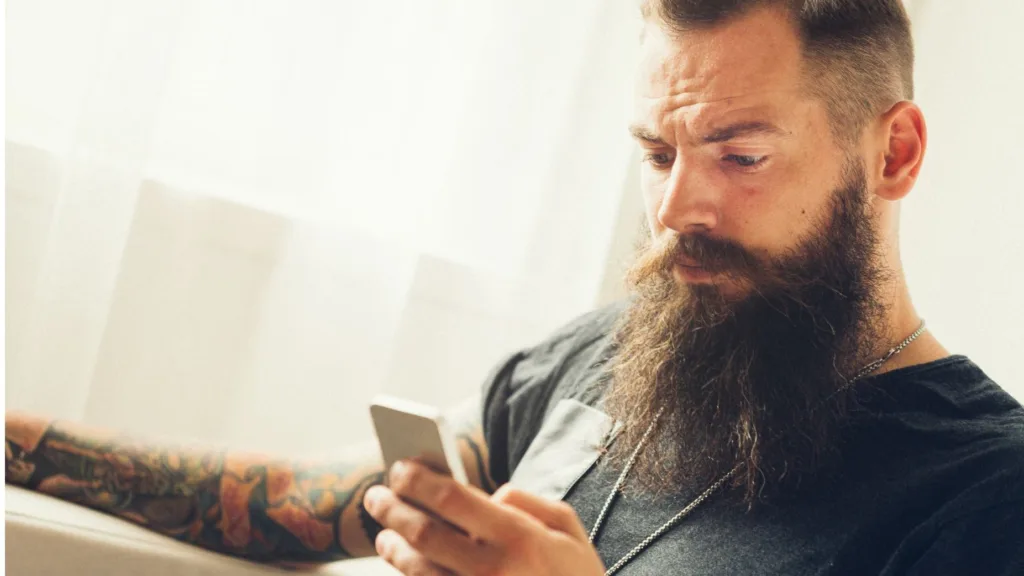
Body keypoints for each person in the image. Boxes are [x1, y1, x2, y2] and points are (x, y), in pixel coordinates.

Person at [6, 0, 1024, 574]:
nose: (675, 212)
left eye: (739, 155)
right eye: (654, 152)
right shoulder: (613, 353)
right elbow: (304, 502)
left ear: (891, 152)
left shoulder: (983, 493)